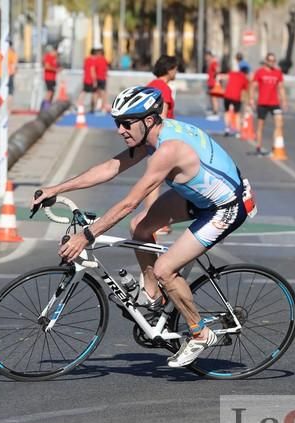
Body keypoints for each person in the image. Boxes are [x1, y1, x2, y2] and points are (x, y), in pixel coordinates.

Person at [32, 86, 255, 368]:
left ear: (148, 120)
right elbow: (111, 168)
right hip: (199, 198)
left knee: (164, 269)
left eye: (126, 123)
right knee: (140, 227)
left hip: (225, 207)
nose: (120, 130)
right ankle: (153, 297)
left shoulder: (168, 150)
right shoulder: (153, 136)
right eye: (117, 124)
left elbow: (129, 203)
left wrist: (86, 236)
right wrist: (57, 188)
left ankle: (200, 333)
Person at [143, 55, 179, 235]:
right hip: (162, 139)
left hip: (150, 136)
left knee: (155, 180)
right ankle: (156, 221)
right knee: (161, 180)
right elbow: (162, 115)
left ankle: (155, 219)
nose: (176, 72)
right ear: (170, 69)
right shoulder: (163, 88)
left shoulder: (150, 84)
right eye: (175, 68)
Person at [249, 52, 287, 156]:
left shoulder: (278, 73)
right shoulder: (259, 72)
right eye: (270, 60)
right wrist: (251, 99)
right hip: (262, 103)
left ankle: (275, 147)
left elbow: (281, 88)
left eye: (274, 61)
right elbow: (253, 87)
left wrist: (284, 100)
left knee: (279, 124)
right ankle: (258, 147)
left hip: (274, 103)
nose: (272, 63)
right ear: (266, 61)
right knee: (261, 126)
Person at [222, 60, 249, 137]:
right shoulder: (244, 77)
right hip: (236, 97)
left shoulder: (231, 73)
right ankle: (237, 131)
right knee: (237, 114)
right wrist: (247, 100)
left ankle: (227, 128)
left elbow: (224, 79)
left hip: (227, 95)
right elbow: (245, 90)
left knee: (227, 112)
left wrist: (224, 87)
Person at [42, 45, 59, 109]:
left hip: (53, 78)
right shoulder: (48, 57)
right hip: (48, 77)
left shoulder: (54, 58)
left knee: (52, 92)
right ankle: (45, 107)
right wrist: (55, 69)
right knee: (49, 91)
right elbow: (47, 66)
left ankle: (49, 104)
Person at [205, 50, 220, 119]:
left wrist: (215, 78)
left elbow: (217, 70)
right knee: (212, 98)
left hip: (213, 83)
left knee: (214, 98)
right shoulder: (210, 63)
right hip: (210, 82)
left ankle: (216, 112)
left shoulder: (213, 63)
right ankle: (214, 110)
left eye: (207, 56)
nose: (206, 58)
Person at [94, 48, 110, 113]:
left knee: (98, 93)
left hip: (99, 78)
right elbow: (107, 68)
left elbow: (94, 69)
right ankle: (101, 107)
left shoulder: (97, 60)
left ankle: (99, 106)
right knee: (102, 93)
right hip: (103, 78)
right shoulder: (105, 60)